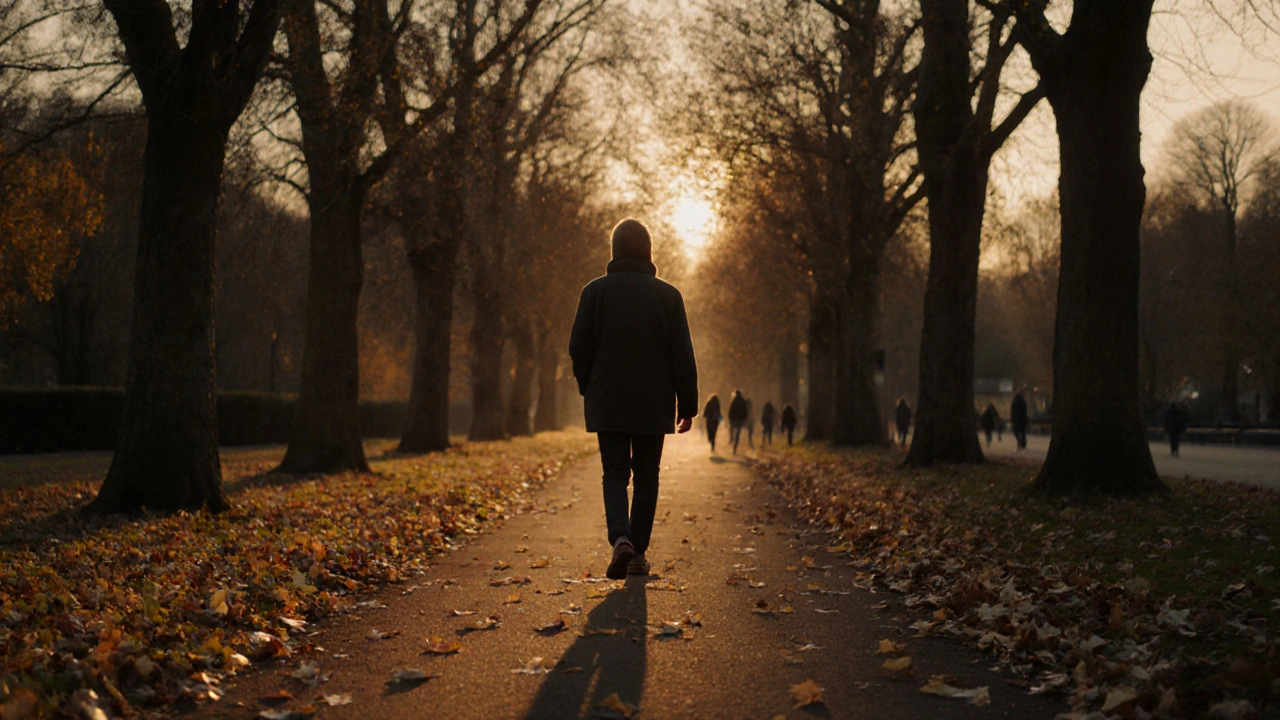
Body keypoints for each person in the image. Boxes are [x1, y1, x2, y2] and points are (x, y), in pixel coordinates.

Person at [569, 218, 698, 580]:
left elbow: (578, 347)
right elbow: (681, 355)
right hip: (653, 402)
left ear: (614, 250)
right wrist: (687, 405)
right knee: (646, 475)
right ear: (649, 251)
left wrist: (587, 385)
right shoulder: (668, 296)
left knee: (613, 472)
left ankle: (620, 539)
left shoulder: (593, 293)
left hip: (606, 398)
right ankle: (638, 553)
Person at [727, 390, 748, 454]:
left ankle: (731, 438)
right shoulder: (743, 401)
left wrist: (730, 418)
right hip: (740, 420)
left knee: (732, 429)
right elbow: (746, 411)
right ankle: (734, 448)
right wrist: (745, 419)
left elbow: (731, 411)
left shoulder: (733, 401)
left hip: (734, 420)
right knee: (738, 435)